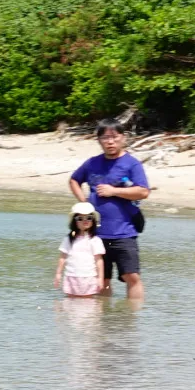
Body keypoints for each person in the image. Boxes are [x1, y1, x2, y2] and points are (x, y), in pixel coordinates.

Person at [68, 121, 149, 301]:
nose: (110, 142)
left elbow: (143, 192)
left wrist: (114, 191)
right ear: (99, 140)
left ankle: (133, 319)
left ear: (123, 138)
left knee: (132, 276)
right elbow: (74, 180)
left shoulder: (132, 164)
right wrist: (84, 203)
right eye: (105, 137)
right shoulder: (92, 163)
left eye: (114, 137)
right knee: (102, 279)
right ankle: (104, 319)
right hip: (96, 233)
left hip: (124, 232)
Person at [56, 203, 105, 297]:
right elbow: (62, 257)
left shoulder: (95, 240)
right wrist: (58, 274)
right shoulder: (68, 239)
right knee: (70, 302)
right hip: (71, 276)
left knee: (88, 302)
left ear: (93, 220)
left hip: (89, 277)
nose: (85, 221)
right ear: (75, 221)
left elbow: (99, 261)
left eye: (89, 218)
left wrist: (100, 278)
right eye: (80, 218)